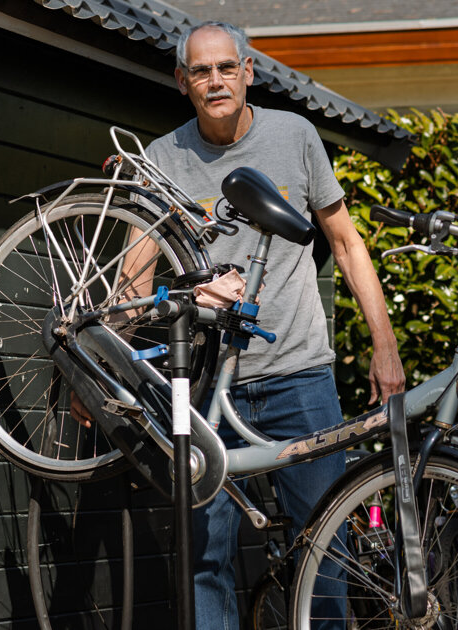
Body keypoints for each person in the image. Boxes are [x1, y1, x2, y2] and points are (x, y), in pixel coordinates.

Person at [147, 21, 406, 629]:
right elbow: (136, 278)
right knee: (203, 558)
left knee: (326, 549)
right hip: (206, 385)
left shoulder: (294, 136)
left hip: (300, 377)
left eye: (226, 67)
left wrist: (385, 345)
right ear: (182, 81)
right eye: (201, 71)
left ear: (247, 72)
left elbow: (346, 243)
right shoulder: (163, 158)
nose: (216, 81)